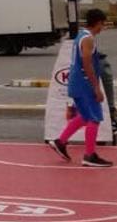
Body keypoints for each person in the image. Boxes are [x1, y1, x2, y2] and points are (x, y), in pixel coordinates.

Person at [48, 9, 113, 167]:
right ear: (98, 23)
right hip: (84, 84)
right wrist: (96, 87)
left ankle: (60, 142)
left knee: (84, 117)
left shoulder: (80, 35)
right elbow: (86, 63)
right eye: (102, 24)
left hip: (77, 83)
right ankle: (89, 155)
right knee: (94, 118)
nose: (102, 28)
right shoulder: (88, 39)